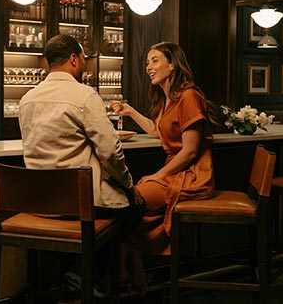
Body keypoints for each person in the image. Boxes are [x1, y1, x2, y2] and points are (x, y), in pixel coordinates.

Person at [19, 34, 144, 293]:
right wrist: (129, 184)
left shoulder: (27, 98)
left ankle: (71, 278)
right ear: (73, 59)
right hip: (77, 204)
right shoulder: (85, 95)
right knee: (135, 208)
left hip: (39, 203)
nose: (85, 64)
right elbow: (110, 151)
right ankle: (89, 275)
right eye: (83, 58)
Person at [110, 41, 217, 292]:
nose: (148, 66)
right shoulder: (168, 99)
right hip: (175, 172)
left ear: (172, 65)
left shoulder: (189, 96)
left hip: (192, 175)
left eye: (155, 60)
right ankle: (134, 274)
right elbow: (158, 131)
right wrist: (131, 112)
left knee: (129, 203)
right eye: (147, 62)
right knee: (131, 209)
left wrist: (157, 175)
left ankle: (121, 273)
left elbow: (190, 150)